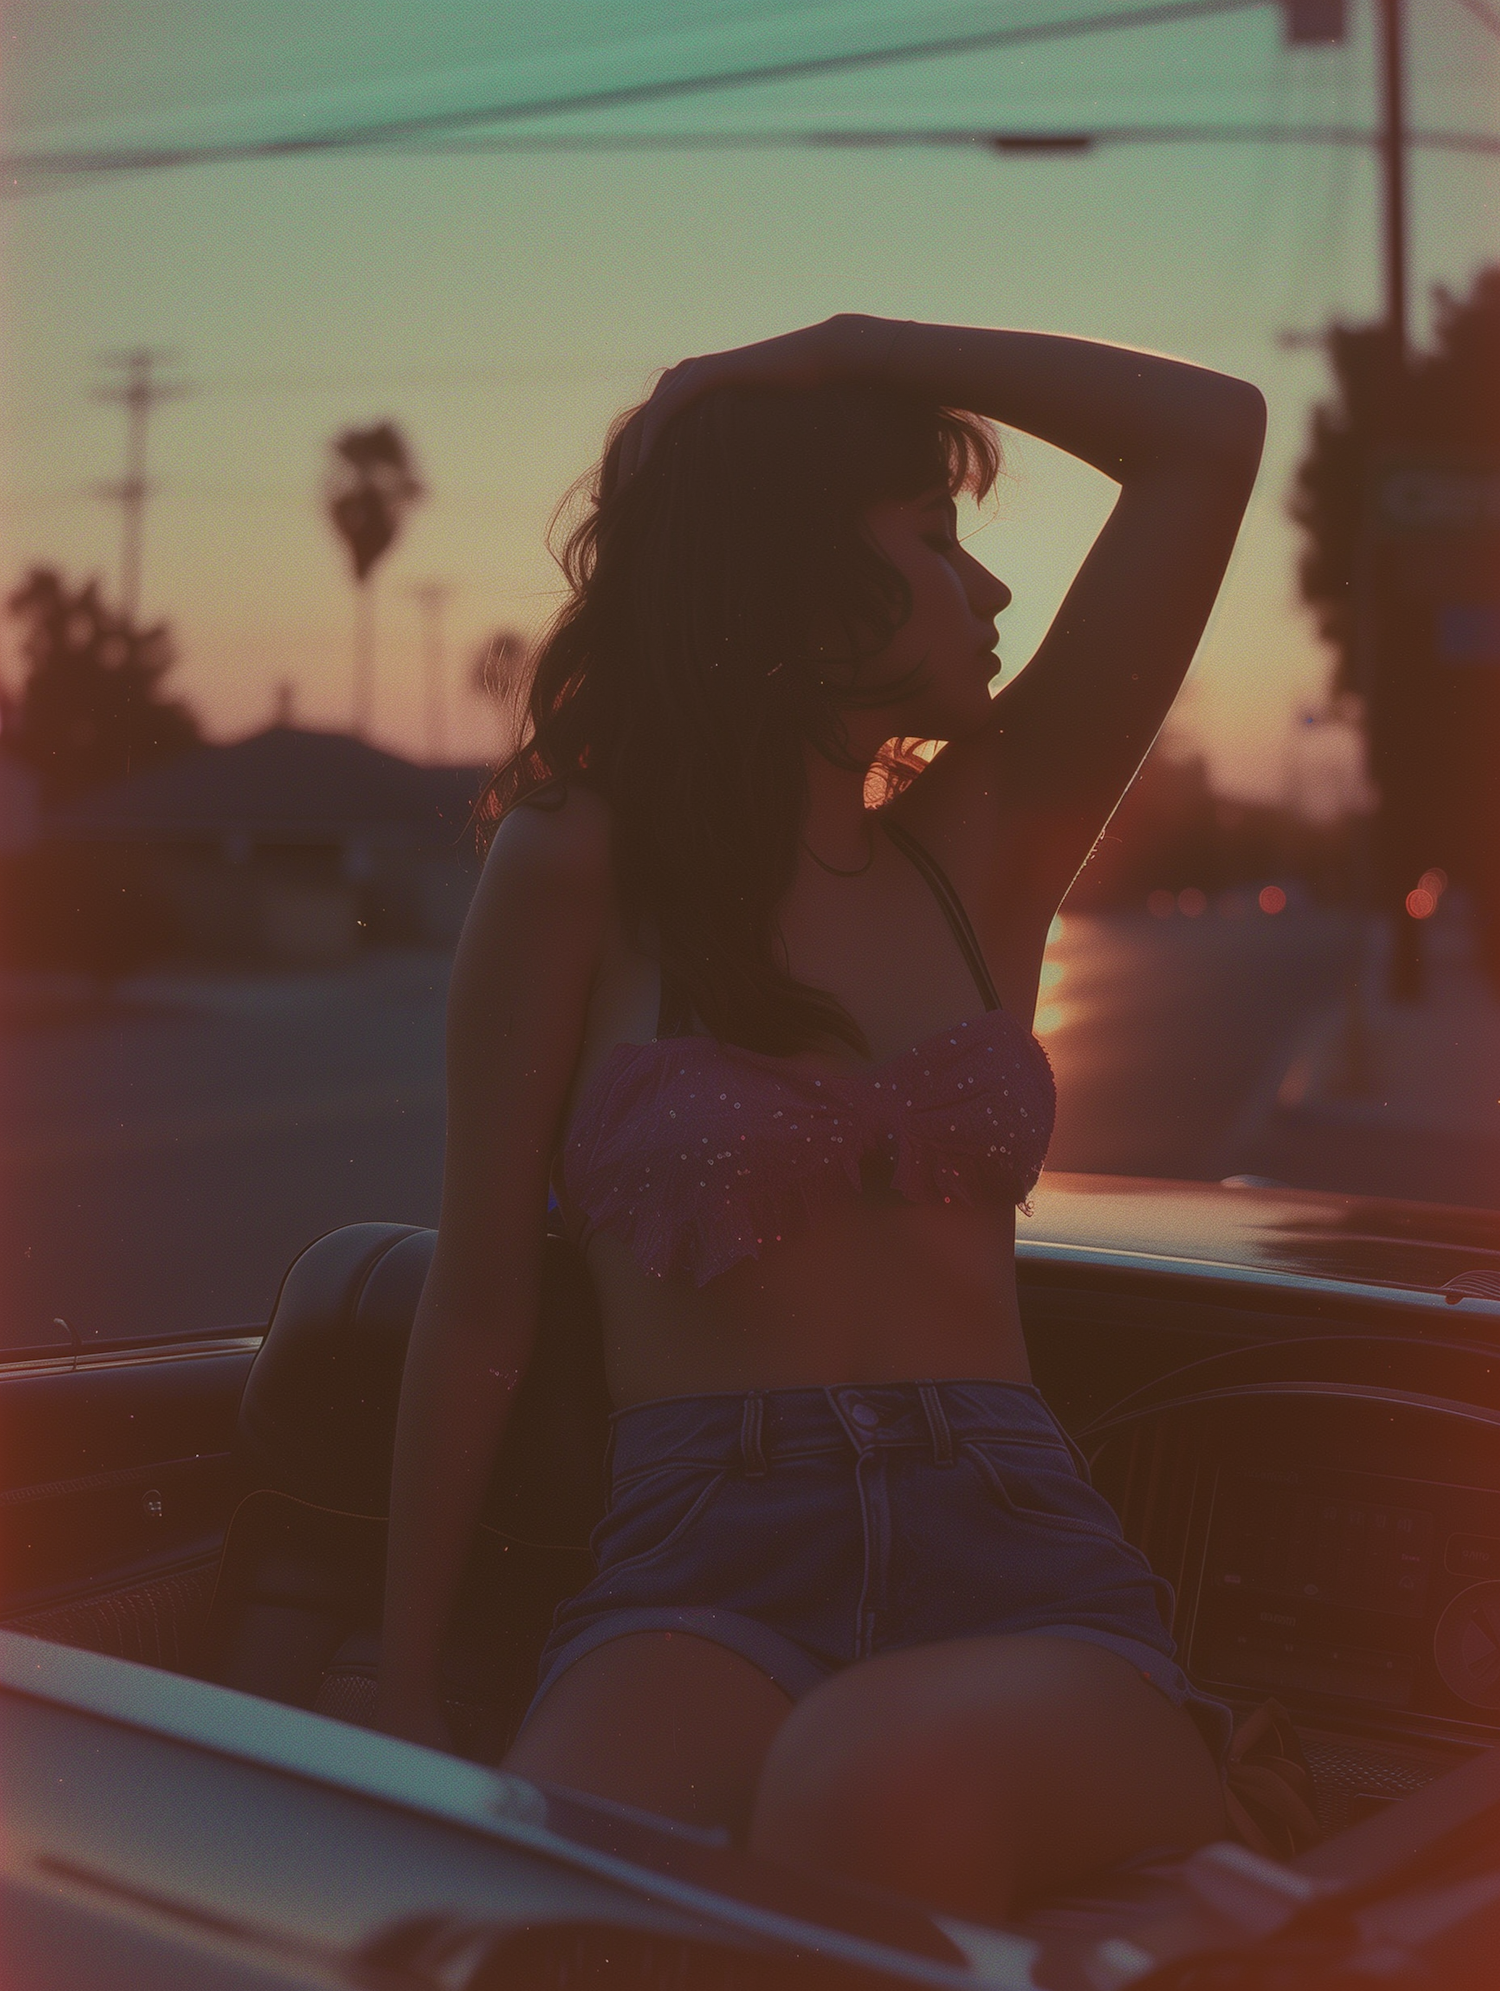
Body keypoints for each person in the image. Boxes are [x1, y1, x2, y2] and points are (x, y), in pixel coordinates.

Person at [375, 314, 1266, 1924]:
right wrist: (407, 1668)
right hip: (700, 1563)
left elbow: (1210, 437)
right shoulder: (575, 863)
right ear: (791, 578)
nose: (989, 590)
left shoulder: (988, 835)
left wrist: (850, 347)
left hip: (1013, 1552)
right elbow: (484, 1295)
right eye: (935, 540)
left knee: (870, 1776)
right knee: (513, 1901)